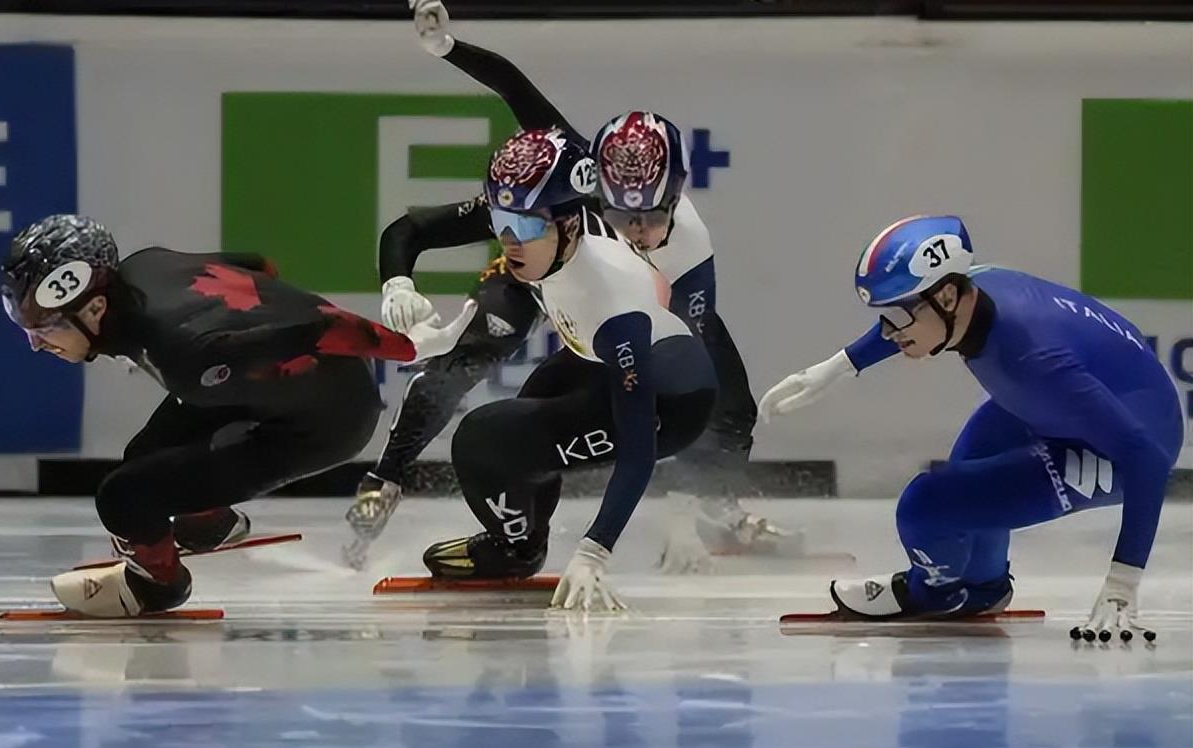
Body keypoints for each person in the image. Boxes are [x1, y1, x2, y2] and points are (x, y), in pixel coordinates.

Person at [345, 0, 800, 570]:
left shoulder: (686, 251)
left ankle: (712, 503)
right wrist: (446, 48)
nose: (637, 230)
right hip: (555, 277)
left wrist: (675, 516)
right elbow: (515, 91)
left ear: (676, 198)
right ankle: (386, 480)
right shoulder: (564, 187)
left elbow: (693, 384)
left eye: (653, 217)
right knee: (469, 356)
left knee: (730, 404)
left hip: (630, 314)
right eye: (620, 213)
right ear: (593, 188)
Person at [0, 215, 472, 617]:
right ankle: (210, 525)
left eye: (47, 329)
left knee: (124, 498)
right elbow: (254, 266)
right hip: (260, 385)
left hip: (326, 422)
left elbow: (319, 330)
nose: (37, 345)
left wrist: (408, 346)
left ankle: (158, 584)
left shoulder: (183, 352)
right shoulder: (142, 266)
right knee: (143, 457)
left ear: (96, 306)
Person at [760, 215, 1182, 639]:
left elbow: (1147, 459)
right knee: (967, 474)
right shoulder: (974, 285)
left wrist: (1122, 582)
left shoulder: (1033, 361)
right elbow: (908, 315)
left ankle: (933, 594)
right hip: (1083, 401)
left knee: (925, 506)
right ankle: (983, 589)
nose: (889, 332)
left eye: (897, 317)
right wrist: (837, 368)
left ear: (946, 295)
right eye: (882, 317)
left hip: (1128, 447)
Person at [422, 128, 718, 610]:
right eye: (502, 221)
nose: (511, 241)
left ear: (570, 226)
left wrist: (592, 551)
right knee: (533, 405)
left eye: (530, 227)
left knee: (481, 439)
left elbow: (639, 448)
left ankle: (516, 551)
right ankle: (530, 536)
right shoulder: (558, 242)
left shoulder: (611, 303)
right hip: (605, 357)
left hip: (672, 402)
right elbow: (410, 232)